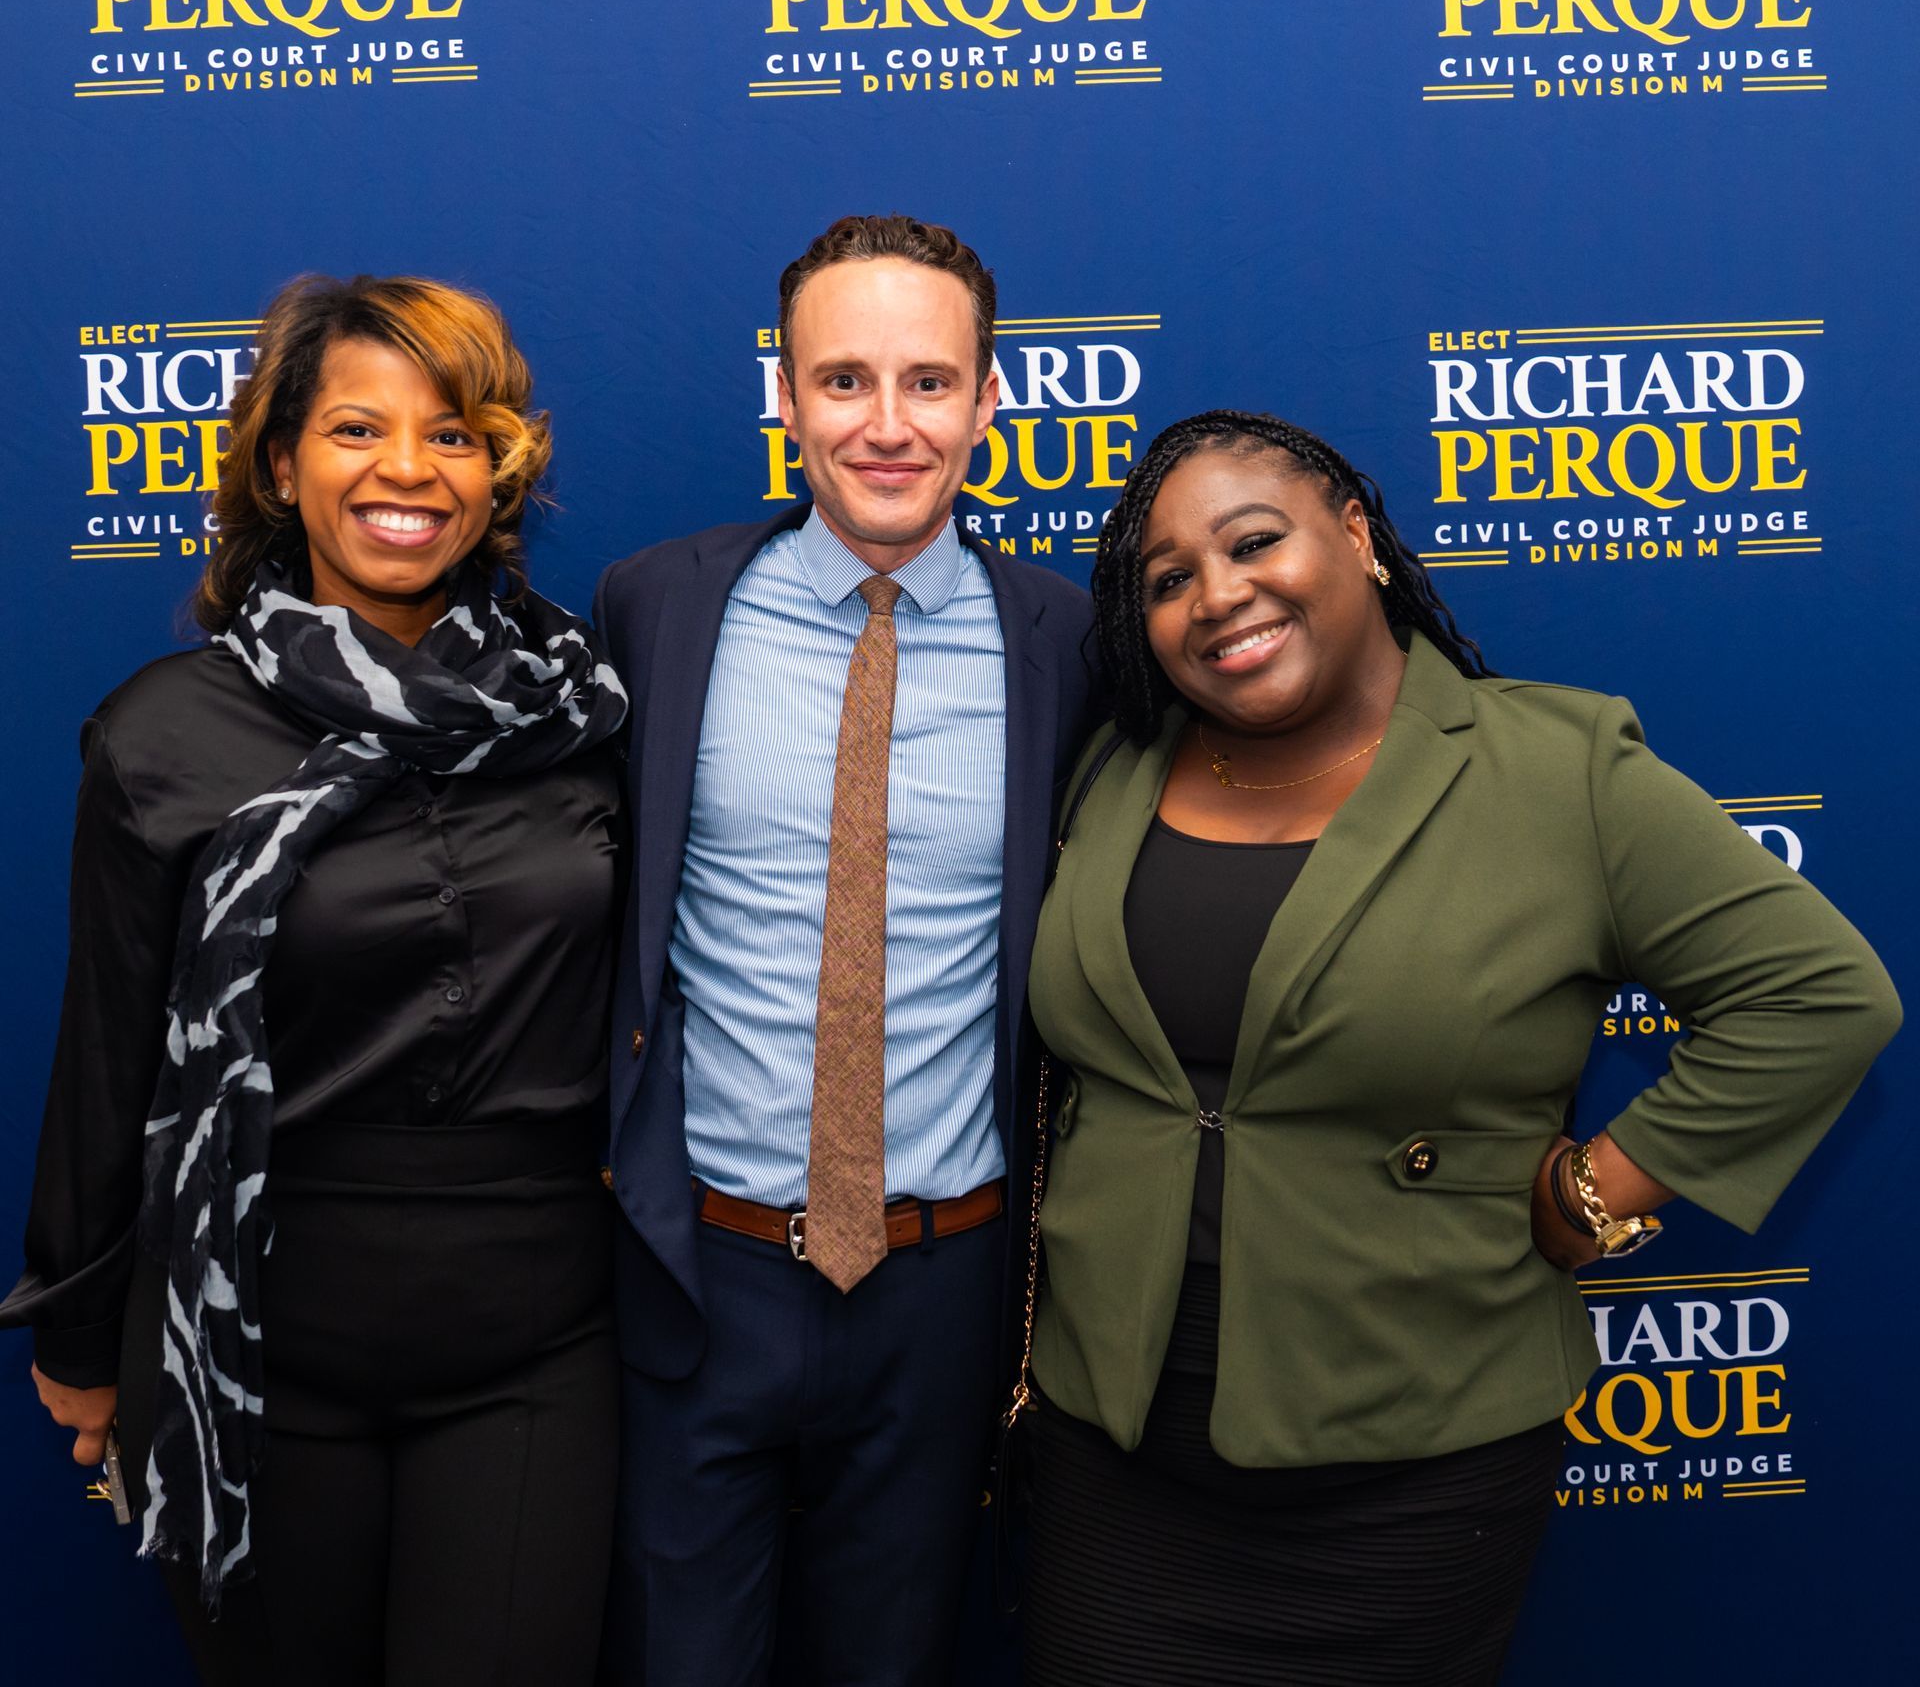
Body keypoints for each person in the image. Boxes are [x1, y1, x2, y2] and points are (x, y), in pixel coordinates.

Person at [1020, 409, 1901, 1687]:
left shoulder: (1558, 770)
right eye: (1166, 582)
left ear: (1360, 539)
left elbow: (1820, 997)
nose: (1218, 595)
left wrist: (1596, 1191)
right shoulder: (1113, 770)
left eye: (1253, 540)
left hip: (1413, 1471)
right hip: (1115, 1455)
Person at [3, 275, 630, 1685]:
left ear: (498, 472)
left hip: (538, 1341)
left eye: (454, 434)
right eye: (358, 428)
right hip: (256, 1345)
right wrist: (84, 1330)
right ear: (281, 468)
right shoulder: (165, 734)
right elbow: (107, 1057)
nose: (407, 470)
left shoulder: (581, 711)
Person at [593, 214, 1095, 1685]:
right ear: (788, 395)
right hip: (698, 1273)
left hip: (946, 1290)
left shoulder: (1067, 642)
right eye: (846, 382)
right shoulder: (657, 607)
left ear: (990, 402)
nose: (888, 427)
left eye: (931, 384)